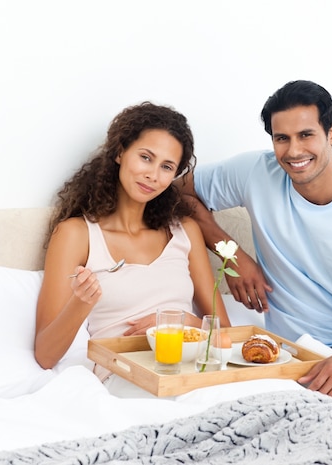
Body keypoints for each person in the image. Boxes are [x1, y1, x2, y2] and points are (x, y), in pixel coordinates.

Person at [179, 80, 332, 397]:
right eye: (281, 139)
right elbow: (178, 192)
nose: (293, 151)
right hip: (290, 351)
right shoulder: (255, 172)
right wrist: (232, 254)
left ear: (331, 133)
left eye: (306, 135)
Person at [34, 101, 231, 384]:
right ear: (119, 152)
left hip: (193, 372)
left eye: (167, 166)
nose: (153, 175)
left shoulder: (185, 231)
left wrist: (188, 323)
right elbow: (45, 356)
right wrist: (80, 303)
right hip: (125, 375)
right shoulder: (76, 234)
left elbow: (225, 336)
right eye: (146, 157)